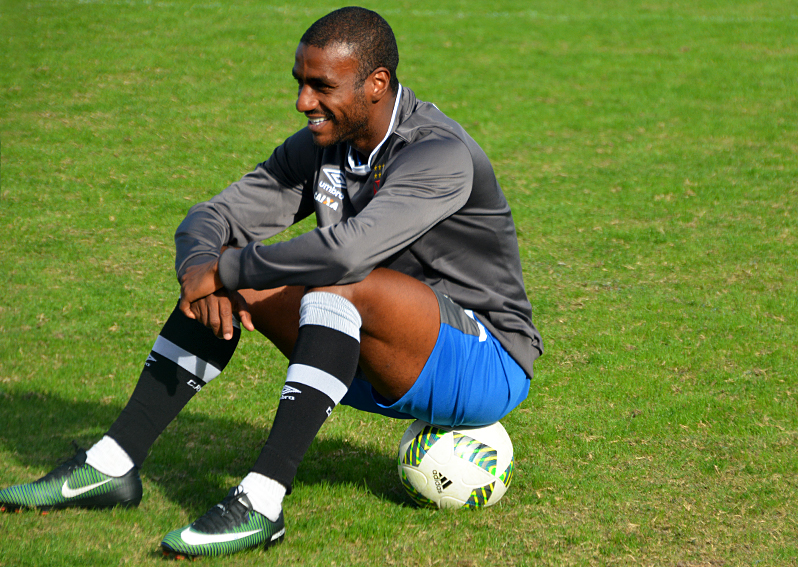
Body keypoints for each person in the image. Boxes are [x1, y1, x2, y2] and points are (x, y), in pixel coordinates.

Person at [0, 6, 543, 558]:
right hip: (370, 354)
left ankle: (261, 501)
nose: (304, 102)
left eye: (321, 86)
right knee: (234, 272)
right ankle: (112, 463)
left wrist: (228, 269)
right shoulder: (324, 145)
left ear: (376, 84)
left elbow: (348, 252)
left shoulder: (438, 152)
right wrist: (203, 269)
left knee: (328, 278)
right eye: (300, 83)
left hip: (485, 362)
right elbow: (212, 216)